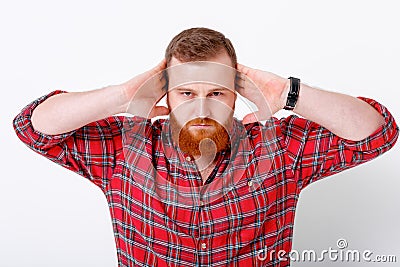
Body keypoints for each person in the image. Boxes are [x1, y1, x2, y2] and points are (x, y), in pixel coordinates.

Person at [13, 27, 399, 267]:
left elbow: (377, 133)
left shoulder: (279, 148)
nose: (201, 107)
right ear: (167, 93)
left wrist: (285, 92)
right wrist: (124, 95)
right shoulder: (123, 147)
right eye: (186, 92)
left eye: (216, 91)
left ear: (236, 95)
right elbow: (33, 127)